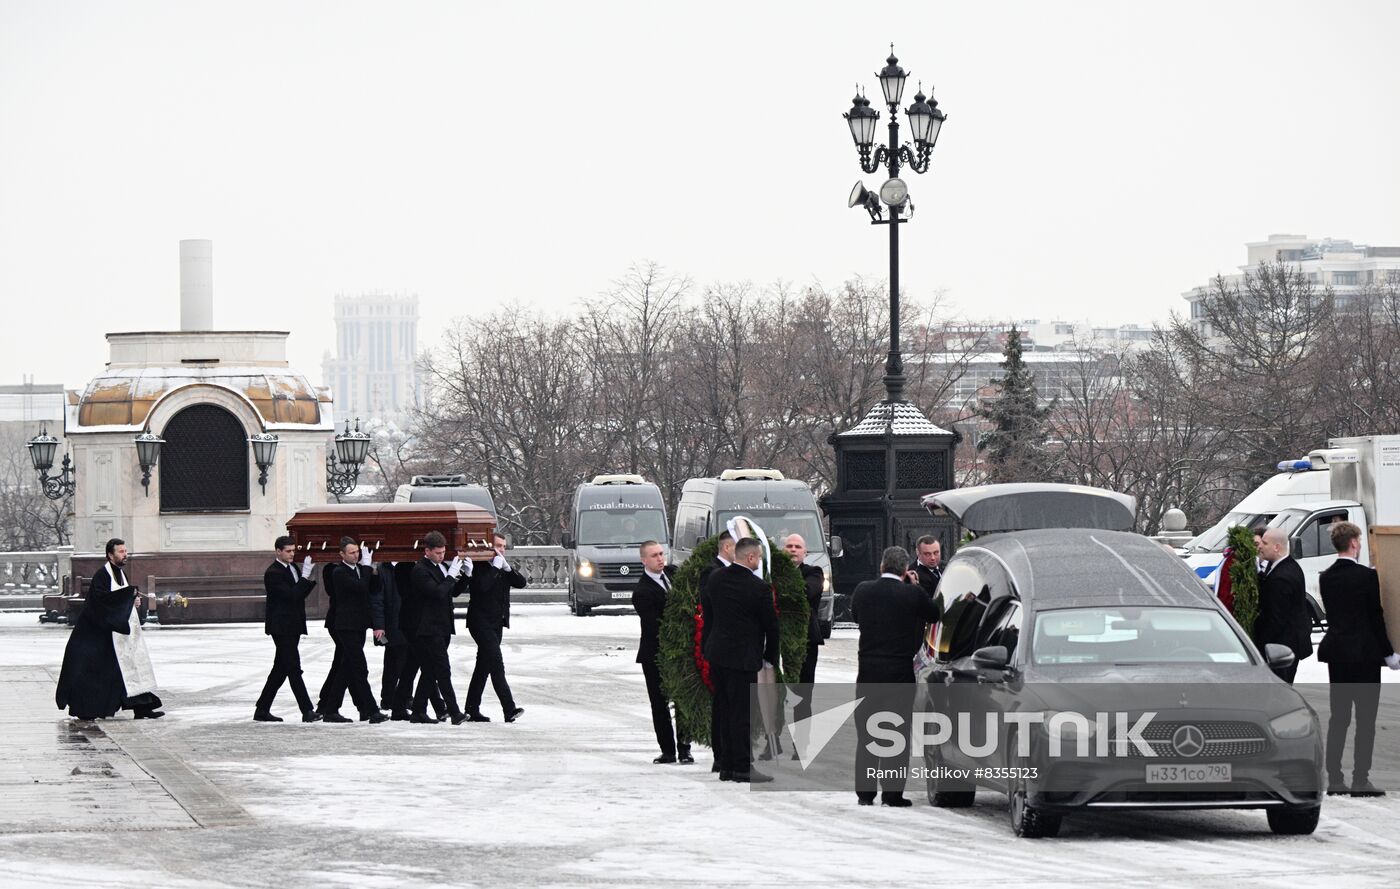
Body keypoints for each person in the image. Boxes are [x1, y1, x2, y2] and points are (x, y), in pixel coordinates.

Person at [851, 546, 941, 807]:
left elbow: (857, 617)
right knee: (895, 734)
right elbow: (933, 613)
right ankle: (892, 794)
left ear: (881, 566)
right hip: (899, 673)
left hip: (868, 672)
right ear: (904, 570)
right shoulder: (911, 594)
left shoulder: (863, 590)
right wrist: (915, 587)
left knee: (867, 733)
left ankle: (865, 794)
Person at [1318, 521, 1400, 797]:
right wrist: (1389, 653)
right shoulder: (1366, 577)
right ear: (1354, 543)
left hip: (1338, 655)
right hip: (1364, 656)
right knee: (1365, 720)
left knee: (1338, 718)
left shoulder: (1326, 576)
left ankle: (1335, 779)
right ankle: (1360, 779)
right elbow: (1375, 617)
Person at [56, 538, 164, 720]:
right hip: (96, 634)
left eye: (125, 551)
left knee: (127, 667)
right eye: (121, 552)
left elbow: (121, 597)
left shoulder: (121, 574)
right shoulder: (102, 576)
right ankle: (87, 709)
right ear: (110, 555)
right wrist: (128, 597)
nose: (125, 554)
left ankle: (142, 708)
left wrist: (133, 600)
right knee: (101, 672)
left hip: (114, 633)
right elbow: (101, 602)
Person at [701, 536, 779, 784]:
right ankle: (743, 767)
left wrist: (707, 648)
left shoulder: (715, 579)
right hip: (743, 658)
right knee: (742, 714)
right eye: (759, 557)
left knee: (724, 710)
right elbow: (771, 627)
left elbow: (709, 616)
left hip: (717, 654)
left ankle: (726, 765)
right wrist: (770, 656)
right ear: (751, 557)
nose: (760, 561)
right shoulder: (759, 588)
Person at [633, 539, 692, 764]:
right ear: (644, 560)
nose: (660, 559)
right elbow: (657, 625)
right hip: (656, 654)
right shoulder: (642, 591)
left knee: (683, 701)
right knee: (660, 703)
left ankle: (685, 748)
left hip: (680, 652)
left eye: (661, 554)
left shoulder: (673, 573)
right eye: (654, 555)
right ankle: (668, 751)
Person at [318, 538, 388, 724]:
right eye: (352, 553)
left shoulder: (359, 569)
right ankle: (372, 711)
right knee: (359, 667)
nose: (356, 555)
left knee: (345, 668)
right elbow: (359, 588)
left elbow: (373, 588)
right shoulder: (339, 571)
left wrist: (373, 570)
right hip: (346, 626)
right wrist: (365, 568)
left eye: (357, 552)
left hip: (358, 625)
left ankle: (331, 710)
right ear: (341, 554)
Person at [408, 531, 473, 725]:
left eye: (443, 552)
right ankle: (454, 712)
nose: (442, 555)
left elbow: (451, 592)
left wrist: (466, 576)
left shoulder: (442, 567)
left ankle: (418, 711)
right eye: (437, 552)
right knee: (443, 670)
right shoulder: (420, 570)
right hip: (428, 628)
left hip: (442, 626)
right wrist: (451, 576)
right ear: (427, 551)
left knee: (430, 670)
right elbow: (436, 593)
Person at [254, 536, 321, 723]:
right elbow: (291, 596)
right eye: (288, 551)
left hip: (293, 625)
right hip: (281, 626)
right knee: (293, 667)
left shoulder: (292, 568)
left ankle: (262, 709)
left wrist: (307, 579)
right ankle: (307, 710)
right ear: (278, 551)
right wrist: (305, 578)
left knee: (280, 669)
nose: (292, 554)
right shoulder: (273, 572)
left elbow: (299, 595)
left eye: (293, 551)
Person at [464, 533, 528, 723]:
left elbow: (521, 583)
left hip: (497, 623)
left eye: (504, 547)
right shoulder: (481, 566)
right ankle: (509, 708)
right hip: (480, 622)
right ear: (489, 547)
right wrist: (495, 569)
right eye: (498, 546)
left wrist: (508, 569)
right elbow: (482, 587)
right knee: (496, 664)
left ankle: (471, 709)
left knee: (483, 667)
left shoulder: (502, 567)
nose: (501, 550)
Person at [381, 561, 447, 721]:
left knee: (411, 667)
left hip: (417, 623)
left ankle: (399, 707)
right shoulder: (406, 568)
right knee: (428, 665)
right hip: (413, 624)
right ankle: (420, 709)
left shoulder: (424, 566)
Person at [1255, 527, 1313, 684]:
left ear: (1276, 547)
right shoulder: (1288, 565)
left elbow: (1276, 619)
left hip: (1281, 647)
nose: (1260, 546)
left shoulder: (1281, 578)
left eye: (1264, 543)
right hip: (1287, 643)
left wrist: (1257, 646)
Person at [784, 534, 824, 728]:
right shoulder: (774, 573)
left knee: (803, 693)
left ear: (805, 552)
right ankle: (770, 741)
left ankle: (801, 740)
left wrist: (782, 587)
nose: (793, 549)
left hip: (806, 640)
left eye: (797, 546)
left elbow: (807, 591)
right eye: (789, 546)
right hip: (779, 639)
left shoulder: (814, 572)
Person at [905, 536, 944, 603]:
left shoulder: (942, 568)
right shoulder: (912, 574)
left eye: (936, 553)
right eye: (927, 554)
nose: (933, 558)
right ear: (918, 552)